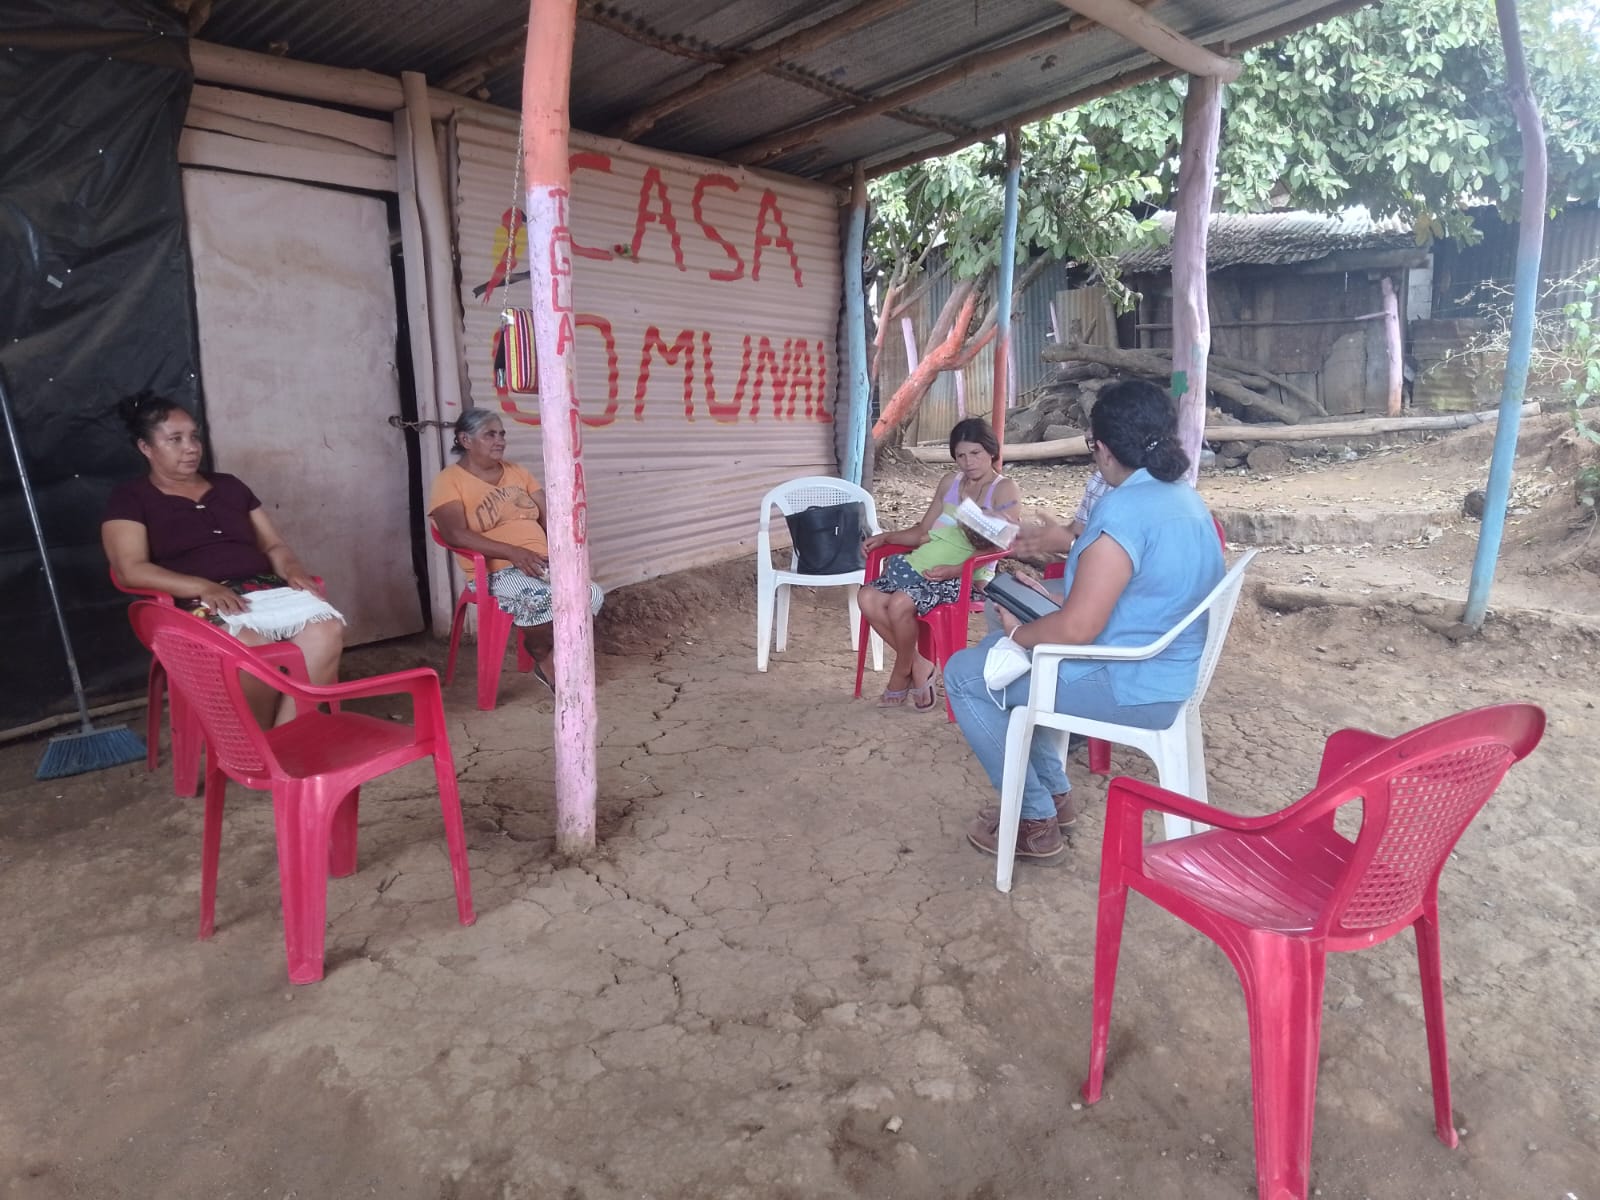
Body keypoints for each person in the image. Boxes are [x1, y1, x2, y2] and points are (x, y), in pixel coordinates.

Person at [945, 379, 1225, 863]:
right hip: (1162, 665)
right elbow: (1128, 588)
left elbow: (1077, 631)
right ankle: (1053, 795)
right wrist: (1044, 606)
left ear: (1107, 449)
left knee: (967, 677)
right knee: (1006, 646)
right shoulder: (1181, 497)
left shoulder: (1123, 509)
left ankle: (1034, 820)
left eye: (1092, 445)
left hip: (1129, 683)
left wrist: (1020, 631)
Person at [102, 392, 344, 726]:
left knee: (325, 630)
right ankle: (258, 743)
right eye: (175, 439)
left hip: (262, 590)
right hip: (195, 603)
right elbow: (130, 570)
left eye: (194, 437)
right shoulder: (130, 498)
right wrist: (203, 586)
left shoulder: (230, 486)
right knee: (251, 652)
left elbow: (273, 545)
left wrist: (293, 569)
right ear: (146, 447)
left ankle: (290, 735)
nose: (191, 447)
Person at [428, 409, 603, 689]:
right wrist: (512, 552)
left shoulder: (517, 472)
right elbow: (454, 533)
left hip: (539, 561)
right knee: (541, 598)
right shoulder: (449, 481)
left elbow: (550, 515)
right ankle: (546, 661)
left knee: (590, 592)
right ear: (465, 439)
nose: (499, 441)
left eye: (501, 434)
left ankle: (556, 655)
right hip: (495, 570)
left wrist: (563, 553)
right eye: (490, 435)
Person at [857, 417, 1022, 711]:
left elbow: (1003, 544)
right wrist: (887, 537)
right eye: (961, 455)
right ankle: (920, 666)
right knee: (867, 597)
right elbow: (923, 531)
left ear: (991, 452)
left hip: (969, 577)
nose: (968, 462)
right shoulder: (950, 482)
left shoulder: (1004, 489)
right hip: (927, 570)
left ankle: (900, 674)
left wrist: (956, 570)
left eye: (976, 453)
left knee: (898, 604)